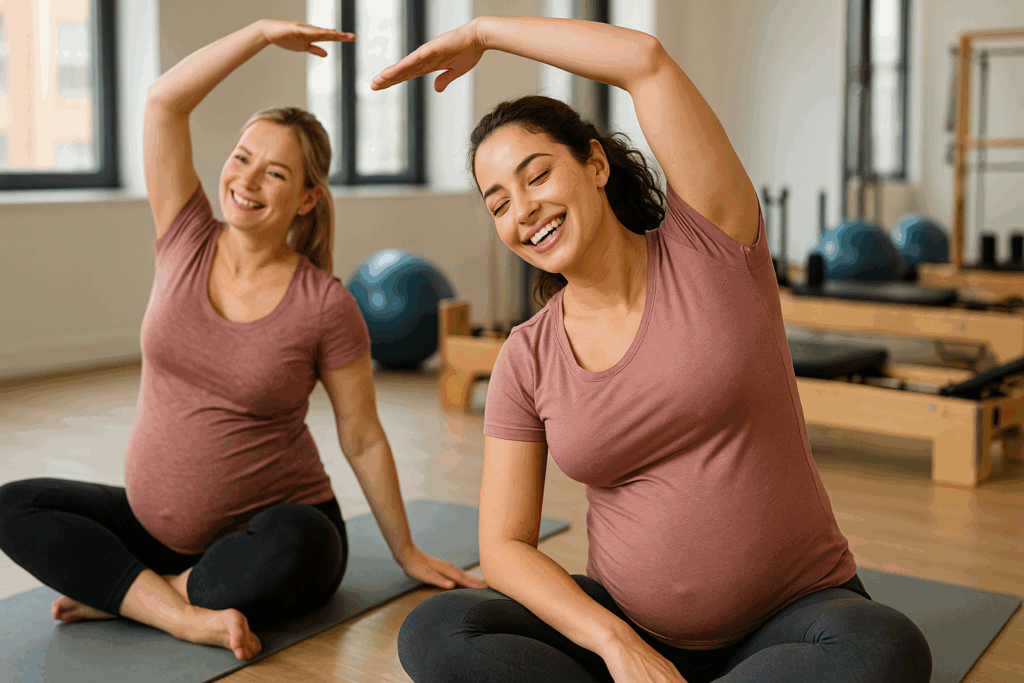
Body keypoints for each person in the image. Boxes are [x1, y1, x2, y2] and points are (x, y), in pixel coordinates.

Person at [372, 16, 933, 683]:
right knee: (440, 627)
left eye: (536, 175)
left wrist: (487, 31)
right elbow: (503, 544)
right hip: (630, 629)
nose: (522, 210)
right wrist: (614, 642)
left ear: (596, 162)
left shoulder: (713, 246)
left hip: (795, 614)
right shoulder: (528, 353)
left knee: (884, 646)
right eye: (498, 202)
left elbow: (644, 59)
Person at [0, 19, 483, 662]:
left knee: (294, 548)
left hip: (272, 529)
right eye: (241, 158)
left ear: (308, 198)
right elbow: (163, 103)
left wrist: (406, 551)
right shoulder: (186, 236)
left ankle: (138, 594)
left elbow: (361, 435)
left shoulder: (325, 305)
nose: (247, 181)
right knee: (15, 506)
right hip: (155, 529)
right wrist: (255, 37)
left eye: (275, 174)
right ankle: (176, 606)